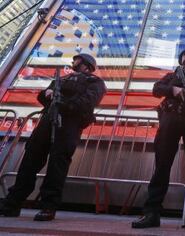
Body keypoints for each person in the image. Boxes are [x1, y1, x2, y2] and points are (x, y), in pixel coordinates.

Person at [0, 53, 106, 221]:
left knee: (57, 164)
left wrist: (63, 102)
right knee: (30, 161)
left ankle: (48, 206)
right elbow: (43, 97)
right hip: (47, 121)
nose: (73, 62)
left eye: (77, 60)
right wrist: (47, 94)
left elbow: (88, 102)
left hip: (69, 124)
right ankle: (12, 203)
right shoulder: (61, 79)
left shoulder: (95, 82)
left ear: (86, 65)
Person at [131, 48, 185, 233]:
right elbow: (156, 89)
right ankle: (151, 213)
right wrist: (174, 89)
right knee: (162, 164)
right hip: (170, 117)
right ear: (180, 59)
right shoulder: (172, 75)